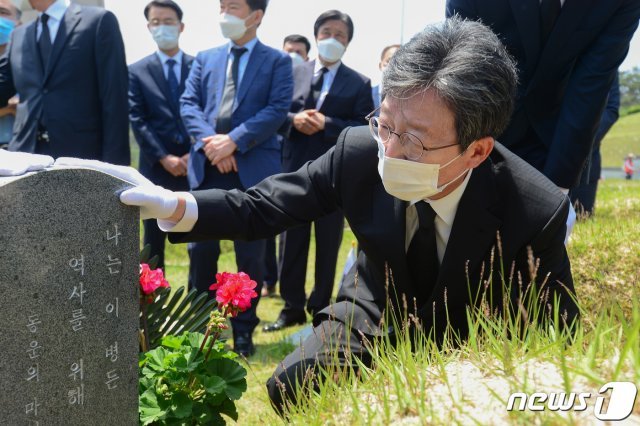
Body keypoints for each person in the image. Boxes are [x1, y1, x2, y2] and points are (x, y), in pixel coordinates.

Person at [2, 18, 579, 416]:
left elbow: (557, 338)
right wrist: (174, 205)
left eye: (417, 141)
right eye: (388, 125)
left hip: (469, 329)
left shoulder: (534, 210)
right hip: (375, 307)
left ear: (476, 150)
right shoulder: (360, 151)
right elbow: (268, 205)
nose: (393, 152)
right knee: (291, 387)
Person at [180, 0, 293, 356]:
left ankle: (244, 330)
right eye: (222, 6)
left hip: (252, 172)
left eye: (233, 6)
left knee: (251, 256)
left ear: (255, 16)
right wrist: (214, 144)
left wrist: (234, 141)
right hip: (208, 168)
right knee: (201, 251)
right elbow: (188, 104)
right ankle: (198, 327)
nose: (225, 13)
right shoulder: (205, 57)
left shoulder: (278, 61)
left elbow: (276, 110)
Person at [445, 0, 640, 193]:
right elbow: (462, 67)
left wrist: (558, 188)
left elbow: (590, 87)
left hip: (553, 139)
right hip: (480, 128)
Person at [262, 10, 374, 333]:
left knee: (328, 241)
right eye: (327, 32)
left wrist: (328, 125)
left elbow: (363, 128)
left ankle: (321, 305)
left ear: (348, 42)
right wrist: (293, 120)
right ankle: (291, 306)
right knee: (291, 240)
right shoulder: (291, 72)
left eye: (340, 35)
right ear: (316, 35)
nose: (332, 39)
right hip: (294, 169)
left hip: (335, 173)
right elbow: (273, 113)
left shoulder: (359, 82)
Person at [0, 0, 129, 164]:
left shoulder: (97, 21)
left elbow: (115, 97)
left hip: (81, 159)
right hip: (26, 159)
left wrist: (115, 170)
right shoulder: (19, 34)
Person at [129, 0, 193, 270]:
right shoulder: (136, 70)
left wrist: (194, 153)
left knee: (198, 239)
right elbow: (137, 119)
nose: (162, 27)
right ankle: (152, 303)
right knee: (152, 242)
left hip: (195, 165)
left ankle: (198, 303)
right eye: (156, 22)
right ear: (148, 27)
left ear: (181, 26)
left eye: (168, 21)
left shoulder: (200, 66)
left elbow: (208, 112)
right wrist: (164, 157)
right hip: (155, 167)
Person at [261, 33, 313, 299]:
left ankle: (283, 283)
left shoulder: (310, 79)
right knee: (268, 220)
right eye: (288, 50)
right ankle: (269, 278)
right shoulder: (273, 77)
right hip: (271, 157)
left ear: (307, 56)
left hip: (296, 160)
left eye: (298, 51)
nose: (293, 55)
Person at [570, 74, 620, 216]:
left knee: (581, 215)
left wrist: (583, 139)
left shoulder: (607, 57)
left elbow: (611, 109)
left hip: (588, 160)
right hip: (543, 153)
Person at [0, 0, 20, 150]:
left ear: (18, 23)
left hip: (27, 151)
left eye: (3, 13)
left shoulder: (33, 63)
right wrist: (7, 109)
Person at [371, 44, 400, 112]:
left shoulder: (411, 99)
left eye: (399, 62)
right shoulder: (367, 94)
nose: (393, 66)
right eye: (389, 60)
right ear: (380, 65)